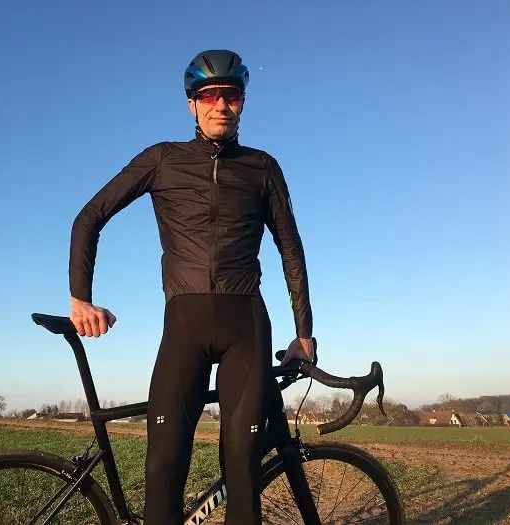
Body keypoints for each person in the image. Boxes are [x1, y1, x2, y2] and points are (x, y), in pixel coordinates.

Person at [68, 49, 314, 525]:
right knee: (164, 468)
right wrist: (81, 298)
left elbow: (291, 250)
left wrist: (303, 332)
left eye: (231, 95)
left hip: (247, 327)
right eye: (209, 95)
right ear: (192, 104)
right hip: (184, 326)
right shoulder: (162, 159)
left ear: (242, 102)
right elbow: (89, 216)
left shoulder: (263, 167)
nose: (221, 104)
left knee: (242, 471)